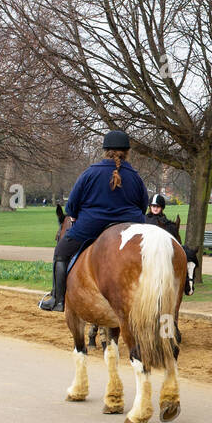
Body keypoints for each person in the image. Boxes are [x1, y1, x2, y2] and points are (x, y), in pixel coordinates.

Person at [39, 130, 148, 312]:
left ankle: (58, 300)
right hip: (131, 226)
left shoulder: (90, 172)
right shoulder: (135, 176)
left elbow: (72, 206)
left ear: (105, 151)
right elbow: (143, 204)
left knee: (61, 252)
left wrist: (74, 214)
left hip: (92, 225)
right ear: (127, 152)